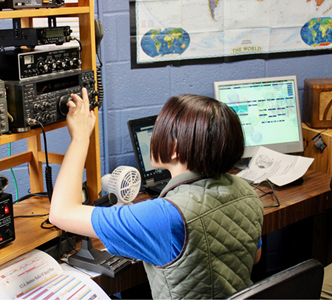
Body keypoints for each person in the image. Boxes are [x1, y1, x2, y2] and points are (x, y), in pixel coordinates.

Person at [49, 90, 264, 299]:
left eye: (158, 131)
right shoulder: (246, 191)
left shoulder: (166, 216)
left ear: (174, 149)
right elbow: (254, 257)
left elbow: (61, 213)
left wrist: (80, 138)